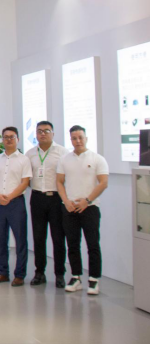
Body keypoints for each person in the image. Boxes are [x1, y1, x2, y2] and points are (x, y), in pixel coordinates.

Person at [57, 125, 109, 296]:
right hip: (70, 208)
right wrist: (66, 201)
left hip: (90, 208)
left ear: (86, 138)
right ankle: (76, 277)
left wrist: (87, 201)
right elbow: (59, 182)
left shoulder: (97, 159)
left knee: (92, 244)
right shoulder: (64, 159)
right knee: (72, 244)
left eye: (80, 137)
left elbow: (103, 183)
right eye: (74, 138)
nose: (77, 141)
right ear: (70, 139)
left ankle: (94, 279)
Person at [25, 120, 68, 288]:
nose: (43, 134)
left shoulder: (62, 153)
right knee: (38, 237)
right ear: (36, 134)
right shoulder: (30, 154)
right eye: (39, 131)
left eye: (46, 131)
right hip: (37, 198)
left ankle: (59, 274)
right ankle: (39, 272)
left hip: (56, 199)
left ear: (53, 133)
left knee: (58, 238)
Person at [0, 127, 32, 287]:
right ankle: (3, 272)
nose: (8, 139)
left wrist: (10, 196)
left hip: (16, 203)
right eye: (5, 137)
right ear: (2, 139)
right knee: (1, 239)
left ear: (17, 139)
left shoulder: (24, 160)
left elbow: (25, 182)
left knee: (20, 240)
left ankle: (19, 274)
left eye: (11, 137)